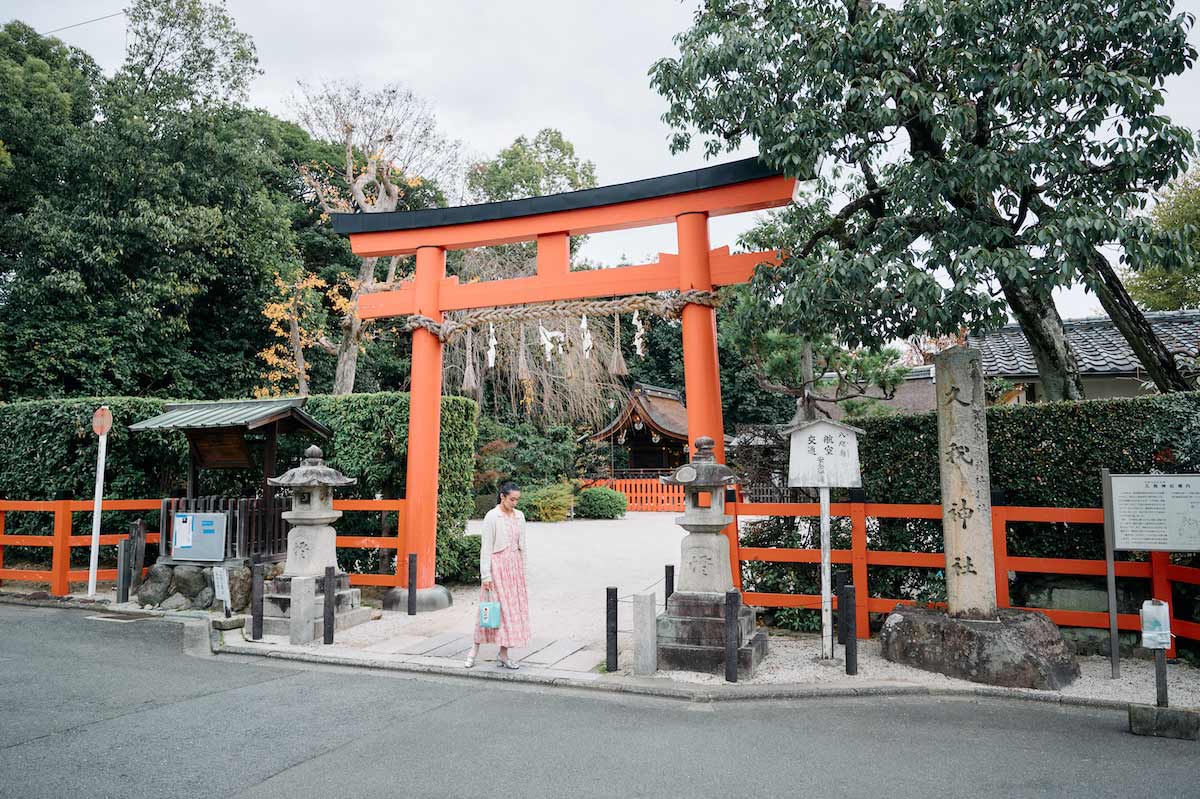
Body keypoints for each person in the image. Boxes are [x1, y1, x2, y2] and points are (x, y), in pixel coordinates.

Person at [465, 481, 530, 669]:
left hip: (514, 568)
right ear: (502, 496)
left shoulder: (520, 516)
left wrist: (523, 571)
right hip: (497, 567)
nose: (515, 503)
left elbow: (522, 545)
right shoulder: (492, 516)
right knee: (490, 609)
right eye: (512, 499)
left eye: (517, 499)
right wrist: (485, 575)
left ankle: (503, 654)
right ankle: (473, 651)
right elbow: (486, 547)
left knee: (510, 613)